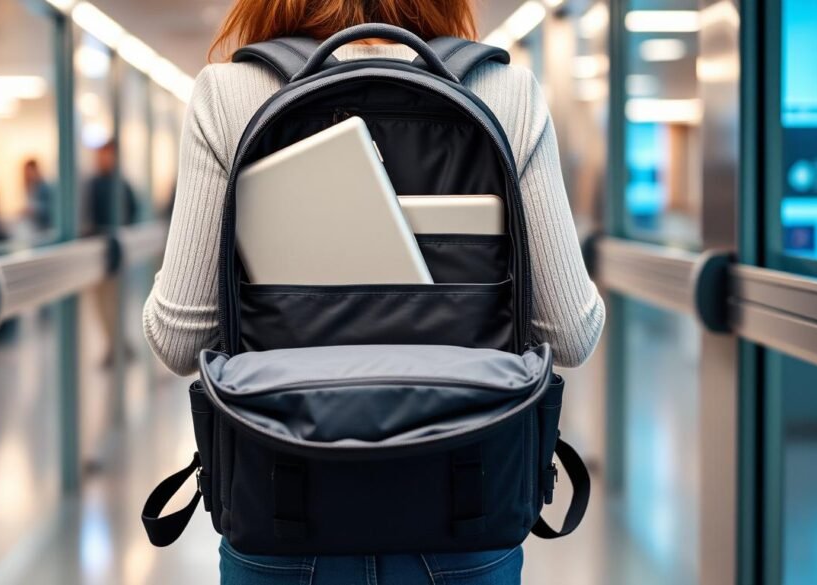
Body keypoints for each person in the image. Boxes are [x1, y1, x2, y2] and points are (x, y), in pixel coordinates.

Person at [143, 1, 606, 583]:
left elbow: (180, 340)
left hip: (282, 501)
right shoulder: (504, 91)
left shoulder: (227, 93)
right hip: (466, 500)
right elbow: (572, 332)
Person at [87, 140, 138, 366]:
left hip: (116, 254)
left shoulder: (121, 185)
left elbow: (133, 211)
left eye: (106, 154)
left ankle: (118, 344)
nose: (101, 159)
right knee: (102, 304)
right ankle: (115, 345)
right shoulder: (94, 183)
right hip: (97, 255)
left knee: (115, 301)